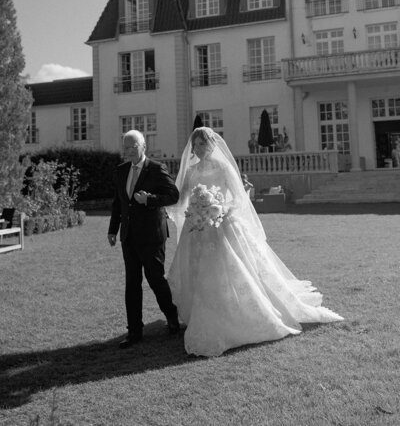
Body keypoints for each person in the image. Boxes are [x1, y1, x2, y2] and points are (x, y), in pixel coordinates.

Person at [168, 127, 343, 357]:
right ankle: (201, 314)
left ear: (212, 145)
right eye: (196, 145)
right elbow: (181, 199)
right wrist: (184, 209)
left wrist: (220, 210)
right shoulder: (190, 172)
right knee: (199, 273)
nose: (199, 149)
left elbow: (239, 198)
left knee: (227, 271)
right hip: (197, 228)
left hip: (222, 224)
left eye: (203, 144)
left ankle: (233, 312)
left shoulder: (223, 167)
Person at [108, 130, 180, 348]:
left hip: (152, 235)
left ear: (143, 146)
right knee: (132, 284)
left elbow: (173, 195)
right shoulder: (121, 170)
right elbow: (118, 202)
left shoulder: (157, 169)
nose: (128, 151)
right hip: (128, 236)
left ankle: (172, 318)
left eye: (132, 146)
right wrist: (113, 229)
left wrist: (149, 200)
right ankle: (134, 332)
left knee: (156, 279)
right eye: (125, 147)